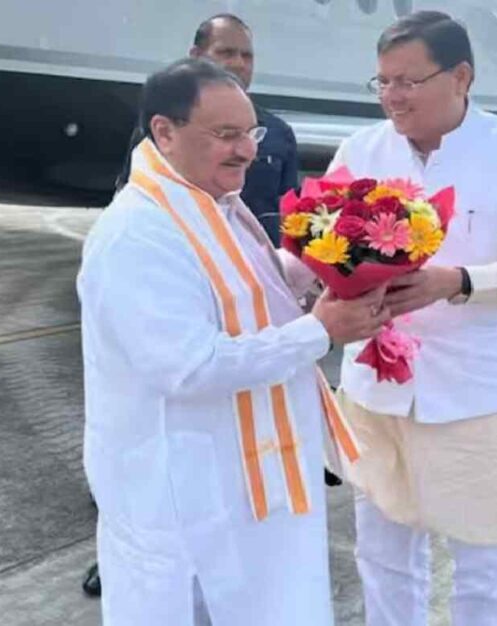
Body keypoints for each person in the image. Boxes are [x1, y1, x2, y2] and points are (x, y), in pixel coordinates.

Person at [79, 57, 388, 625]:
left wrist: (319, 264)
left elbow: (243, 287)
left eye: (251, 133)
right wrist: (320, 331)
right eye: (226, 134)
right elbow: (189, 367)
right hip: (183, 493)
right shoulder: (138, 233)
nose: (247, 150)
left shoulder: (211, 202)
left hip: (237, 480)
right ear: (165, 132)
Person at [327, 11, 497, 625]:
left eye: (408, 81)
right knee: (382, 558)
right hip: (377, 393)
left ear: (461, 77)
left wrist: (460, 282)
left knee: (483, 571)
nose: (392, 96)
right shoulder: (360, 151)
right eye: (383, 82)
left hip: (478, 395)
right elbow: (323, 241)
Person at [116, 14, 298, 244]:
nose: (239, 64)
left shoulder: (278, 132)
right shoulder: (169, 127)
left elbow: (291, 216)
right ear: (196, 56)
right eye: (226, 53)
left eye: (246, 56)